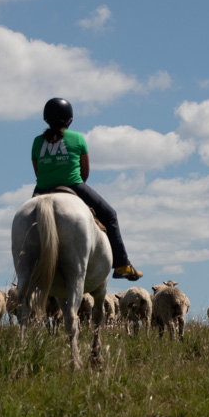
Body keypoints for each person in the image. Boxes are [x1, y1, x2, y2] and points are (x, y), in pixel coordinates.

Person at [31, 98, 143, 281]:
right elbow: (85, 172)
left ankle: (28, 267)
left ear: (46, 119)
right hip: (73, 185)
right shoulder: (77, 138)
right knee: (110, 215)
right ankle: (122, 264)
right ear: (69, 119)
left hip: (42, 190)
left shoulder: (37, 142)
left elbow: (37, 171)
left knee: (29, 225)